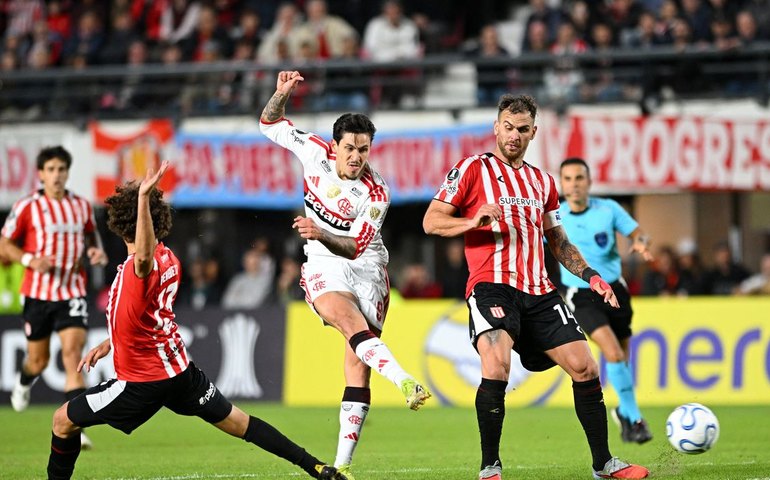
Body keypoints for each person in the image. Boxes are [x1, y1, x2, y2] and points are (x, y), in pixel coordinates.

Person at [45, 162, 347, 480]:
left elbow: (143, 261)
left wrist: (143, 199)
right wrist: (112, 341)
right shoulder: (169, 258)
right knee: (239, 423)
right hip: (179, 372)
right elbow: (152, 314)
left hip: (142, 382)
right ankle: (315, 467)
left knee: (62, 420)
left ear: (120, 223)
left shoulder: (141, 264)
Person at [423, 94, 649, 480]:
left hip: (540, 292)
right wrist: (472, 221)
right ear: (496, 127)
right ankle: (490, 466)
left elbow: (558, 240)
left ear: (534, 132)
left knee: (586, 366)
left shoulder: (542, 182)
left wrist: (592, 276)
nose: (514, 135)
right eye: (507, 127)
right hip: (492, 287)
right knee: (496, 365)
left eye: (522, 129)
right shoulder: (471, 169)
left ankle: (604, 464)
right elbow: (431, 221)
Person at [259, 70, 431, 480]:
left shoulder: (376, 192)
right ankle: (405, 380)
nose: (356, 157)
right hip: (321, 262)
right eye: (350, 148)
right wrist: (281, 94)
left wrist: (321, 230)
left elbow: (354, 246)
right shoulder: (312, 149)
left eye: (364, 150)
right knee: (344, 318)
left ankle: (341, 467)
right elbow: (268, 123)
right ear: (334, 146)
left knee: (357, 364)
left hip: (367, 267)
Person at [1, 146, 108, 450]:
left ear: (67, 172)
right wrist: (29, 260)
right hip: (37, 294)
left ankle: (75, 426)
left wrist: (94, 252)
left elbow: (92, 238)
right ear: (41, 174)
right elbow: (4, 244)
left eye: (61, 169)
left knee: (73, 354)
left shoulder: (81, 206)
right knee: (38, 360)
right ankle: (24, 382)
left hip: (72, 290)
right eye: (51, 169)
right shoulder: (27, 207)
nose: (56, 175)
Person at [558, 157, 654, 444]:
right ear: (561, 184)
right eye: (568, 179)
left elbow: (640, 234)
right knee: (612, 353)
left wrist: (641, 243)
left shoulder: (608, 209)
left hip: (617, 291)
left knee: (622, 356)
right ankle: (636, 418)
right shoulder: (556, 217)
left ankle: (624, 413)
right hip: (582, 295)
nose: (574, 185)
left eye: (579, 178)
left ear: (589, 181)